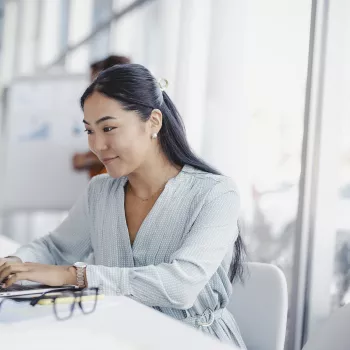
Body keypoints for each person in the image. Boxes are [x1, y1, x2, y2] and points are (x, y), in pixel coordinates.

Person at [0, 64, 246, 348]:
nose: (97, 145)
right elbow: (55, 248)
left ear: (153, 122)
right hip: (119, 336)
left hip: (191, 341)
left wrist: (75, 275)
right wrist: (14, 264)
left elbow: (181, 286)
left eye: (108, 128)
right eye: (89, 131)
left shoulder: (216, 193)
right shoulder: (101, 191)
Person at [72, 55, 131, 178]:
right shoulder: (104, 109)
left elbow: (126, 151)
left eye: (94, 80)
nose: (91, 87)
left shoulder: (127, 111)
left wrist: (87, 160)